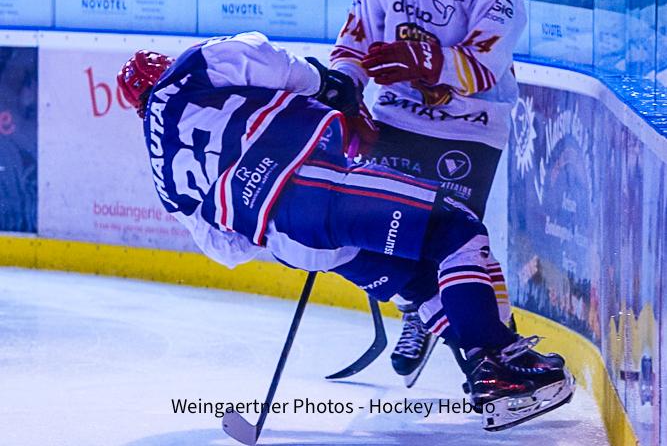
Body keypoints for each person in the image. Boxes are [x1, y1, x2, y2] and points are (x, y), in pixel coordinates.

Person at [117, 32, 573, 432]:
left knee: (419, 282)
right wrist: (324, 84)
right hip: (316, 185)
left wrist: (269, 216)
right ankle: (497, 364)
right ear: (163, 66)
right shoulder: (191, 67)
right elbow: (268, 59)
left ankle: (490, 373)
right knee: (456, 230)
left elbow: (225, 248)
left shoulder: (163, 171)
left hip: (294, 242)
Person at [330, 0, 527, 380]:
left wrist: (424, 60)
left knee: (458, 240)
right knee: (383, 232)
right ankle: (416, 311)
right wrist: (343, 87)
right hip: (395, 117)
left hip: (470, 123)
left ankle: (501, 348)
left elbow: (487, 64)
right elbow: (357, 35)